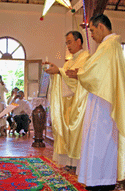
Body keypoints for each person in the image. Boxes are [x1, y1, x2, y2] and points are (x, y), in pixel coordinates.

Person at [67, 14, 125, 191]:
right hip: (101, 97)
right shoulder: (109, 46)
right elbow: (95, 69)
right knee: (97, 138)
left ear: (101, 26)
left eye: (92, 30)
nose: (91, 35)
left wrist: (79, 73)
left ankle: (101, 179)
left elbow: (94, 71)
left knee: (100, 139)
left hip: (103, 101)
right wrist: (81, 72)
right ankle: (96, 178)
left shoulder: (109, 45)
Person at [44, 31, 90, 170]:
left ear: (79, 42)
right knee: (67, 133)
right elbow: (65, 76)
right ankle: (70, 163)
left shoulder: (86, 57)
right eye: (66, 43)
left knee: (77, 133)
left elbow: (81, 80)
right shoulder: (69, 61)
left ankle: (78, 163)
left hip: (80, 103)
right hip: (68, 103)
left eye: (70, 42)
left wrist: (59, 71)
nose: (68, 46)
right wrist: (57, 72)